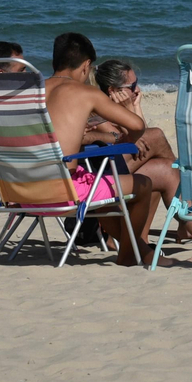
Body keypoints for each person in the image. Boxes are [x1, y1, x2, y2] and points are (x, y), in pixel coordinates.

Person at [89, 60, 192, 264]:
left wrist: (134, 107)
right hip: (101, 178)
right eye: (132, 87)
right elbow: (134, 141)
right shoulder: (97, 110)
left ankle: (184, 233)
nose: (138, 90)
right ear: (113, 90)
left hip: (117, 173)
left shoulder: (111, 109)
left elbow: (137, 138)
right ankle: (191, 222)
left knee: (167, 169)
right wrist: (130, 109)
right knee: (157, 138)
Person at [42, 32, 165, 267]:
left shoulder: (28, 91)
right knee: (142, 184)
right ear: (86, 65)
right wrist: (127, 121)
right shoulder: (85, 93)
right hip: (62, 190)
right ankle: (130, 254)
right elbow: (137, 126)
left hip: (18, 189)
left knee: (110, 182)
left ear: (54, 62)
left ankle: (144, 252)